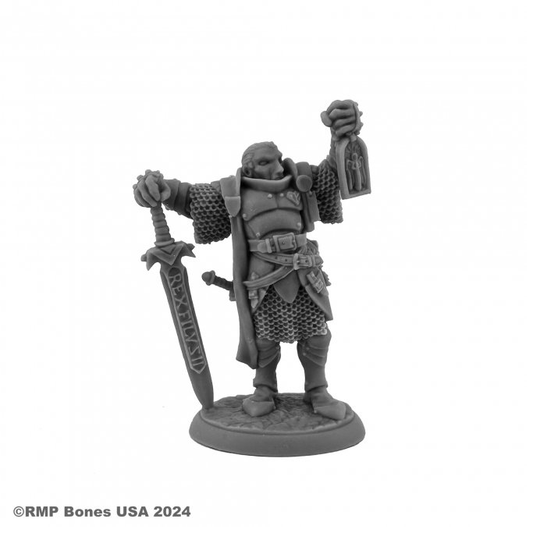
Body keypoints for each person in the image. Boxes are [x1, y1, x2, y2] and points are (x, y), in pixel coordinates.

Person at [133, 100, 368, 420]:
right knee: (265, 338)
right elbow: (188, 197)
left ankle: (318, 390)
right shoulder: (234, 193)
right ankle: (264, 389)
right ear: (250, 167)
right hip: (263, 279)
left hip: (304, 273)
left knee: (316, 334)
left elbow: (332, 174)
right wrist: (158, 187)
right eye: (265, 162)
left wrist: (340, 136)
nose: (277, 167)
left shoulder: (301, 180)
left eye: (277, 158)